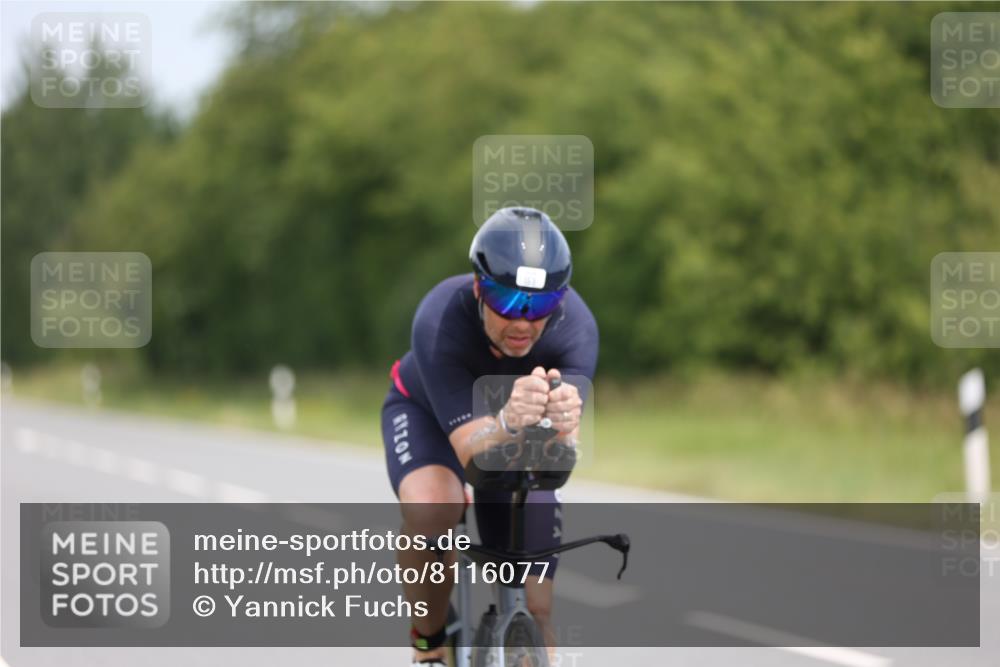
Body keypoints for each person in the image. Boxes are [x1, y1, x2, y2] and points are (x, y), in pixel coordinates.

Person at [380, 207, 598, 666]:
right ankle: (428, 642)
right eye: (509, 302)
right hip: (430, 416)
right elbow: (470, 453)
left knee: (537, 608)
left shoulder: (576, 327)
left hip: (513, 431)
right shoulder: (439, 318)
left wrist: (564, 422)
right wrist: (505, 421)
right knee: (432, 510)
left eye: (538, 306)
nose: (523, 323)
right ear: (479, 287)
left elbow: (562, 453)